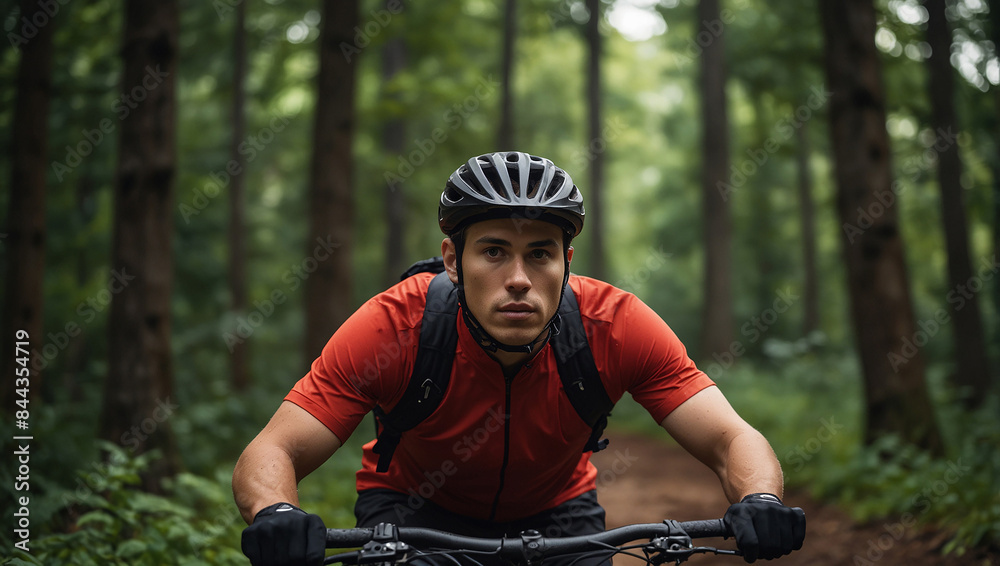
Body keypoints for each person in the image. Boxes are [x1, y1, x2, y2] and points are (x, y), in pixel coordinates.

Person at [233, 151, 806, 566]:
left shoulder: (617, 325)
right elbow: (273, 448)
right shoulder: (393, 327)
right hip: (415, 510)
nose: (517, 279)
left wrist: (759, 498)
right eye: (493, 252)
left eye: (539, 254)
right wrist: (276, 513)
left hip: (560, 512)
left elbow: (732, 437)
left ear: (567, 261)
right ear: (452, 260)